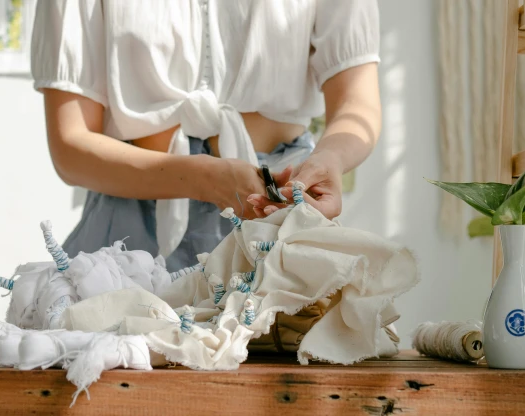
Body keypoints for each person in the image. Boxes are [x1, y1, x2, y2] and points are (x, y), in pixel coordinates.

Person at [31, 0, 382, 271]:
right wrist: (202, 179)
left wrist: (329, 160)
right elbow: (70, 146)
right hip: (129, 229)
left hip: (277, 210)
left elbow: (357, 106)